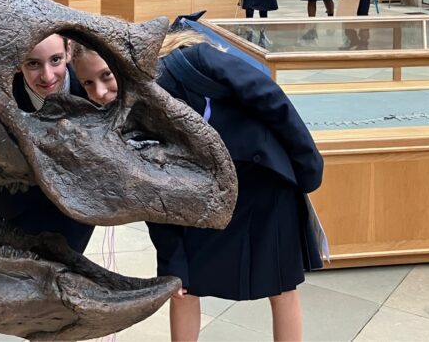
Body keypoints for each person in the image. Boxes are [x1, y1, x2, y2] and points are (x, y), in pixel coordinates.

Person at [72, 34, 324, 342]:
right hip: (198, 198)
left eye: (106, 75)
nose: (99, 92)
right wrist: (172, 259)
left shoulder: (192, 63)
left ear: (122, 61)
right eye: (87, 83)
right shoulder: (121, 122)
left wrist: (307, 164)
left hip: (261, 181)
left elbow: (270, 98)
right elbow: (154, 195)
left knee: (281, 285)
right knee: (183, 286)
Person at [0, 34, 94, 253]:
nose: (47, 76)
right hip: (14, 210)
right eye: (33, 64)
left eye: (55, 60)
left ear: (68, 51)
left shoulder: (90, 86)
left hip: (75, 214)